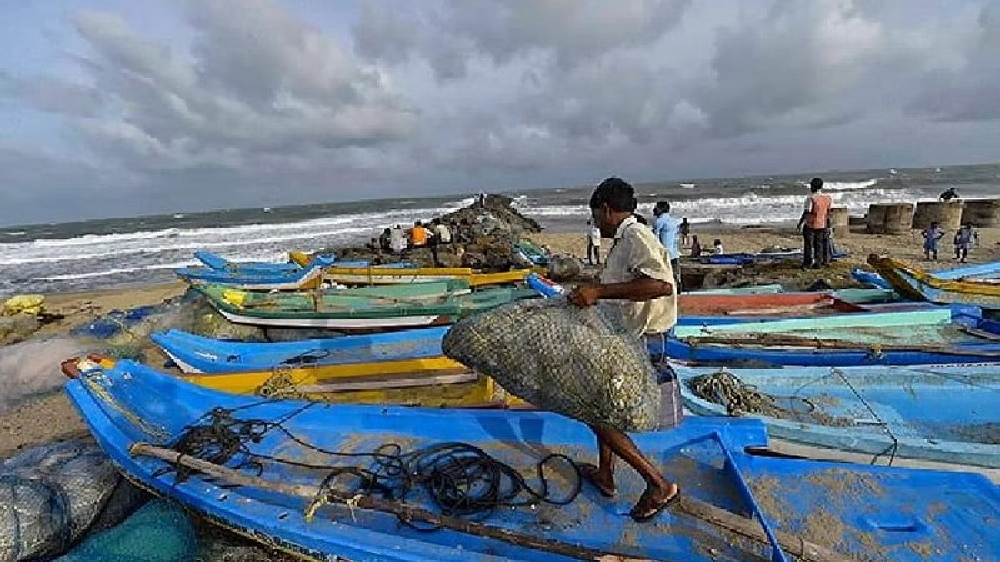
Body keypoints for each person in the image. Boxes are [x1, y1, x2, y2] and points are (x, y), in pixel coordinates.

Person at [567, 177, 681, 522]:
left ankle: (658, 484)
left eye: (595, 217)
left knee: (597, 413)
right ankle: (606, 476)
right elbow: (626, 284)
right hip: (629, 336)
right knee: (603, 403)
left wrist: (599, 294)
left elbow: (659, 285)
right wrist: (593, 291)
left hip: (645, 340)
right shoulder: (625, 239)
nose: (596, 224)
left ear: (605, 209)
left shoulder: (636, 236)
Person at [797, 177, 833, 269]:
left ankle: (808, 263)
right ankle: (819, 262)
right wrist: (828, 225)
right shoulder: (827, 198)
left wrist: (800, 222)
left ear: (812, 186)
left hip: (811, 224)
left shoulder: (811, 198)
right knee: (819, 244)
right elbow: (828, 213)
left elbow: (807, 212)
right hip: (822, 224)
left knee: (809, 245)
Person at [653, 202, 682, 292]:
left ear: (661, 209)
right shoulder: (674, 221)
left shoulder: (659, 221)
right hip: (674, 252)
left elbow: (655, 238)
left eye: (656, 208)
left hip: (663, 253)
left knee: (664, 275)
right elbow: (676, 238)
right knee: (676, 275)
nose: (654, 210)